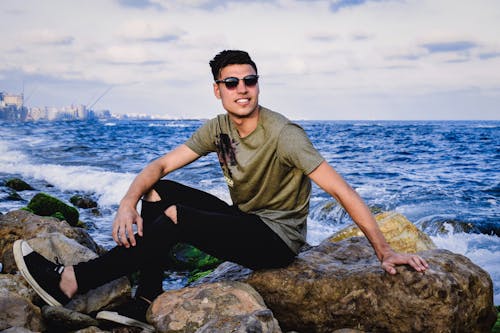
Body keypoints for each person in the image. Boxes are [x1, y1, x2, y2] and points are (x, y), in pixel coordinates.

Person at [13, 50, 428, 331]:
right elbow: (158, 166)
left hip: (277, 240)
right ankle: (147, 298)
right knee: (158, 191)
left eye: (250, 80)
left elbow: (342, 191)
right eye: (232, 82)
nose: (242, 89)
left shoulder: (284, 135)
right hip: (246, 221)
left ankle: (73, 281)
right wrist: (127, 202)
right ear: (218, 89)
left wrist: (384, 251)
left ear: (258, 85)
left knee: (177, 216)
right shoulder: (219, 127)